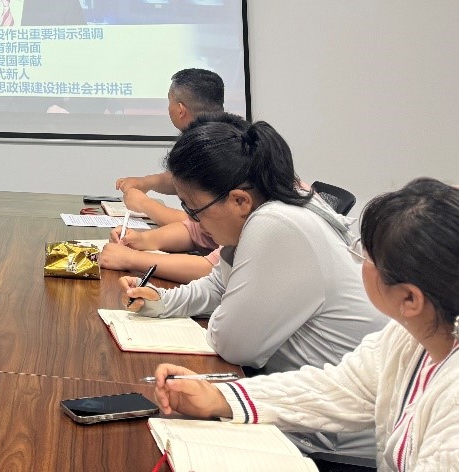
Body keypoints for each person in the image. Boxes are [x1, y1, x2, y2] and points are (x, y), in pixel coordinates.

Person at [119, 114, 386, 457]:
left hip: (333, 446)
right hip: (297, 410)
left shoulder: (277, 224)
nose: (194, 221)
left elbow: (233, 344)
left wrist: (223, 309)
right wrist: (163, 300)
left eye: (194, 210)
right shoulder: (278, 205)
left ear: (239, 201)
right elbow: (218, 285)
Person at [151, 178, 459, 471]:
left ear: (410, 299)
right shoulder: (409, 336)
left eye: (367, 256)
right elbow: (339, 389)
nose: (358, 262)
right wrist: (219, 398)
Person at [115, 68, 225, 223]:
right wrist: (146, 183)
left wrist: (143, 204)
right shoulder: (223, 136)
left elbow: (201, 226)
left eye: (169, 101)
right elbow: (188, 180)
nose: (168, 108)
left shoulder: (211, 149)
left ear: (180, 110)